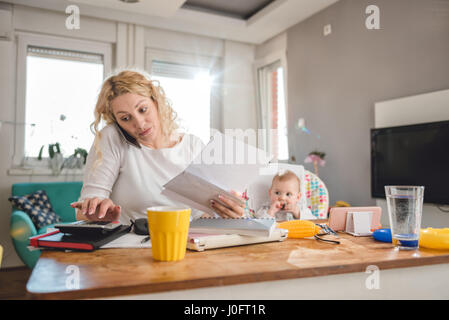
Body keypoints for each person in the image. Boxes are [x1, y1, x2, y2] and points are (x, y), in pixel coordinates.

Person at [70, 70, 245, 223]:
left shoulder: (193, 144)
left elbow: (209, 211)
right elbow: (83, 210)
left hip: (191, 245)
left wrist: (229, 211)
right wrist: (98, 212)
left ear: (156, 102)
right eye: (125, 118)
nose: (139, 123)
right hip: (132, 249)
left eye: (143, 109)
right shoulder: (113, 138)